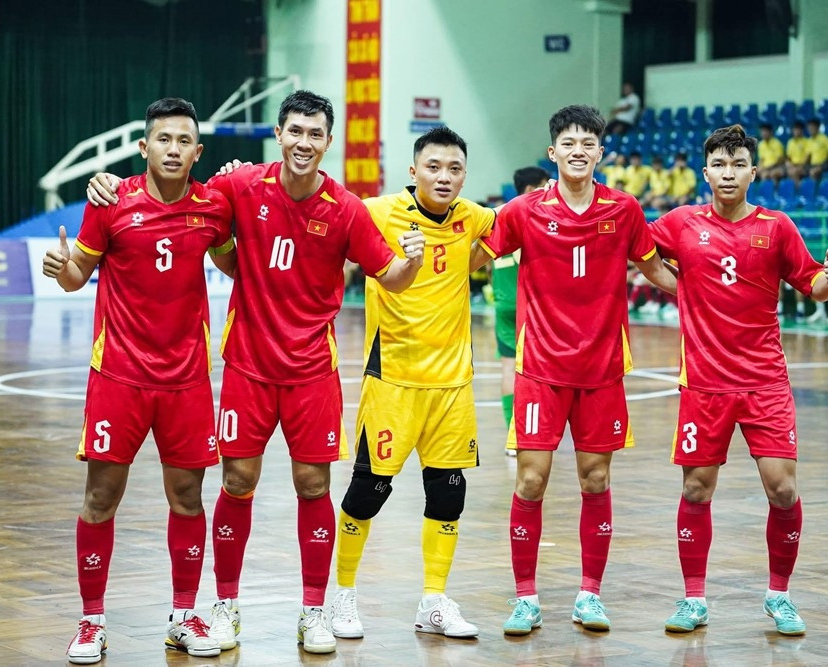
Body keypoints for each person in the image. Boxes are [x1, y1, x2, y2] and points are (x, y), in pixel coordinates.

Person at [85, 90, 425, 655]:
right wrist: (107, 186)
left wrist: (410, 262)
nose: (304, 142)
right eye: (295, 130)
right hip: (246, 366)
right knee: (237, 483)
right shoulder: (241, 186)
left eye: (315, 134)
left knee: (313, 485)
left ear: (328, 142)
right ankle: (225, 607)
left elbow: (390, 277)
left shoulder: (345, 209)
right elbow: (176, 195)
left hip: (313, 372)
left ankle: (313, 611)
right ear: (278, 132)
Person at [471, 105, 678, 636]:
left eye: (589, 141)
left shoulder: (626, 209)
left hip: (602, 370)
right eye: (569, 141)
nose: (579, 149)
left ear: (601, 153)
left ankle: (589, 595)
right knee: (532, 480)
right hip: (540, 367)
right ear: (553, 152)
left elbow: (655, 268)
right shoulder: (523, 210)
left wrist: (715, 293)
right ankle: (525, 599)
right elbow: (477, 255)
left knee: (596, 478)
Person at [48, 97, 236, 664]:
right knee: (101, 498)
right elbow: (79, 274)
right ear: (144, 146)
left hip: (186, 382)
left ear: (198, 151)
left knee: (187, 497)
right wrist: (65, 271)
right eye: (164, 139)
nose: (173, 149)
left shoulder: (214, 207)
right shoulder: (110, 202)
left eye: (184, 141)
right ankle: (91, 622)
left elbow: (236, 265)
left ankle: (184, 615)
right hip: (119, 378)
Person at [649, 124, 828, 637]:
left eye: (739, 164)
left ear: (754, 172)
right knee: (696, 488)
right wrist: (676, 285)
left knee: (782, 489)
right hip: (705, 385)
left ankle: (779, 595)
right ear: (705, 172)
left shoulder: (777, 227)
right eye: (720, 164)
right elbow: (639, 253)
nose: (729, 173)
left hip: (764, 382)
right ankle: (693, 599)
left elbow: (813, 283)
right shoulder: (680, 223)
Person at [329, 127, 496, 641]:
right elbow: (317, 201)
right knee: (368, 491)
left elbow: (535, 220)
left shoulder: (475, 218)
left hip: (452, 388)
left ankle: (434, 600)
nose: (444, 177)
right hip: (393, 382)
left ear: (464, 175)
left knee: (448, 495)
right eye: (434, 167)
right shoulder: (376, 211)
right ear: (413, 170)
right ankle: (343, 596)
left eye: (454, 169)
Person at [492, 166, 551, 449]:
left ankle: (511, 436)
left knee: (507, 369)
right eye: (543, 186)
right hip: (526, 302)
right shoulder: (528, 214)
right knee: (532, 372)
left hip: (502, 301)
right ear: (530, 190)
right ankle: (530, 434)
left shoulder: (494, 214)